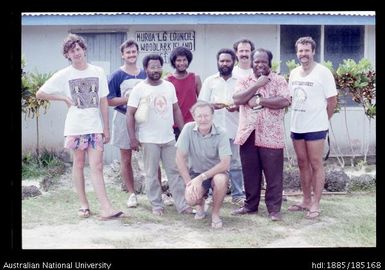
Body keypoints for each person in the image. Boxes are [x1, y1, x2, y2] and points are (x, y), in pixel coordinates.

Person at [36, 33, 124, 220]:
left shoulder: (97, 71)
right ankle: (84, 205)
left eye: (77, 49)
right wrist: (64, 98)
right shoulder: (65, 74)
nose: (75, 53)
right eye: (70, 51)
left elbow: (103, 101)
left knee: (97, 166)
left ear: (83, 49)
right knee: (78, 164)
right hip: (75, 127)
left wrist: (106, 128)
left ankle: (106, 208)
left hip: (94, 126)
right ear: (67, 55)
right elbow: (40, 93)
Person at [126, 53, 193, 216]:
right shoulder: (139, 89)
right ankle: (157, 204)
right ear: (146, 69)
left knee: (175, 172)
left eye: (158, 66)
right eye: (152, 67)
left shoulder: (169, 86)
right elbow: (129, 114)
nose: (156, 70)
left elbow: (176, 109)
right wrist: (133, 138)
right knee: (151, 173)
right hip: (149, 139)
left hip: (169, 137)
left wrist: (183, 131)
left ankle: (182, 205)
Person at [232, 48, 291, 221]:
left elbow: (285, 100)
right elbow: (238, 99)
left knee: (273, 175)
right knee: (250, 173)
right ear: (251, 63)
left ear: (269, 63)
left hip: (271, 134)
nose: (259, 65)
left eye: (263, 61)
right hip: (248, 133)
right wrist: (257, 85)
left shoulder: (279, 80)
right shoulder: (244, 81)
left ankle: (274, 210)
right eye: (256, 61)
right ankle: (250, 206)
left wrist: (260, 101)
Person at [287, 36, 338, 219]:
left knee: (316, 163)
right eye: (300, 50)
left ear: (313, 51)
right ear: (297, 52)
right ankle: (306, 200)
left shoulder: (323, 72)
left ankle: (316, 204)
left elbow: (332, 101)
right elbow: (291, 98)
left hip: (316, 127)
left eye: (307, 50)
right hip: (297, 125)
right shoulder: (293, 73)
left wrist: (324, 120)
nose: (303, 54)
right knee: (302, 164)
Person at [198, 48, 246, 206]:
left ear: (234, 62)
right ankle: (213, 194)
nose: (225, 64)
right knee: (214, 164)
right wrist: (212, 106)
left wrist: (237, 107)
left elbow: (246, 103)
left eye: (228, 61)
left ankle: (238, 195)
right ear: (217, 62)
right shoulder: (210, 81)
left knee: (236, 164)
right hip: (214, 131)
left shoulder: (241, 81)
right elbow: (201, 104)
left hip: (235, 128)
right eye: (222, 61)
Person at [176, 101, 231, 229]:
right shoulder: (188, 129)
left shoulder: (221, 133)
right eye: (199, 116)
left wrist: (201, 178)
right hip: (196, 172)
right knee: (190, 199)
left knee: (220, 180)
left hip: (217, 172)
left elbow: (225, 163)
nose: (203, 119)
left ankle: (215, 214)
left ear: (212, 116)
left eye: (206, 115)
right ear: (194, 117)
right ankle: (200, 204)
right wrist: (188, 182)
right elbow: (179, 157)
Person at [107, 40, 146, 208]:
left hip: (144, 119)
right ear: (122, 55)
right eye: (128, 52)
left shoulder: (145, 73)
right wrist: (129, 99)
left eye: (133, 51)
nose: (131, 55)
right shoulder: (117, 75)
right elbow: (109, 100)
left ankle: (157, 192)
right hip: (123, 117)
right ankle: (131, 194)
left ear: (138, 53)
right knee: (126, 158)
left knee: (152, 156)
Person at [165, 46, 202, 140]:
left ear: (188, 61)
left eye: (184, 60)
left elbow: (201, 102)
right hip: (174, 126)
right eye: (178, 60)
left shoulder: (195, 78)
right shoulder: (168, 80)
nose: (182, 63)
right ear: (174, 62)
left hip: (193, 123)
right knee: (177, 153)